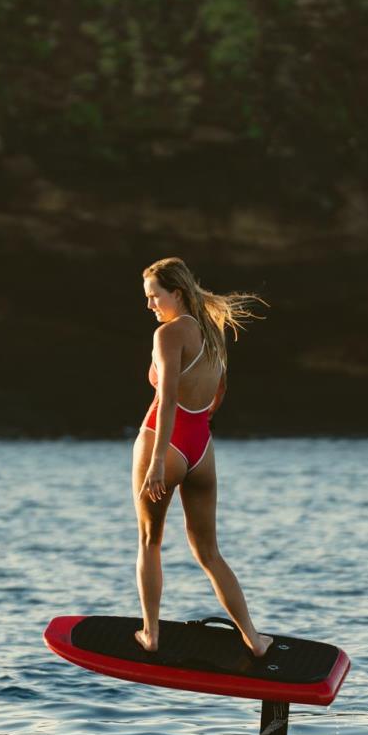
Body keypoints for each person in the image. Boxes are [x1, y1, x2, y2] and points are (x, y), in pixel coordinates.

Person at [133, 256, 270, 658]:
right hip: (201, 448)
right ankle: (254, 640)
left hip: (164, 440)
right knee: (209, 551)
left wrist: (158, 460)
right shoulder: (212, 331)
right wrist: (202, 420)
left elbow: (169, 397)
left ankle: (151, 635)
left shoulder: (169, 335)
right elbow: (220, 389)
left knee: (149, 540)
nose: (150, 305)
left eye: (154, 296)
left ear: (175, 293)